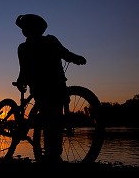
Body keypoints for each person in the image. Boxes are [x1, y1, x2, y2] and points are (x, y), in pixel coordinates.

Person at [15, 14, 86, 163]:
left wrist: (21, 81)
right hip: (51, 85)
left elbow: (23, 70)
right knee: (54, 119)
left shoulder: (25, 47)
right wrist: (77, 59)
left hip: (45, 86)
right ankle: (51, 155)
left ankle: (51, 154)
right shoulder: (47, 42)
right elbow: (66, 54)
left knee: (51, 119)